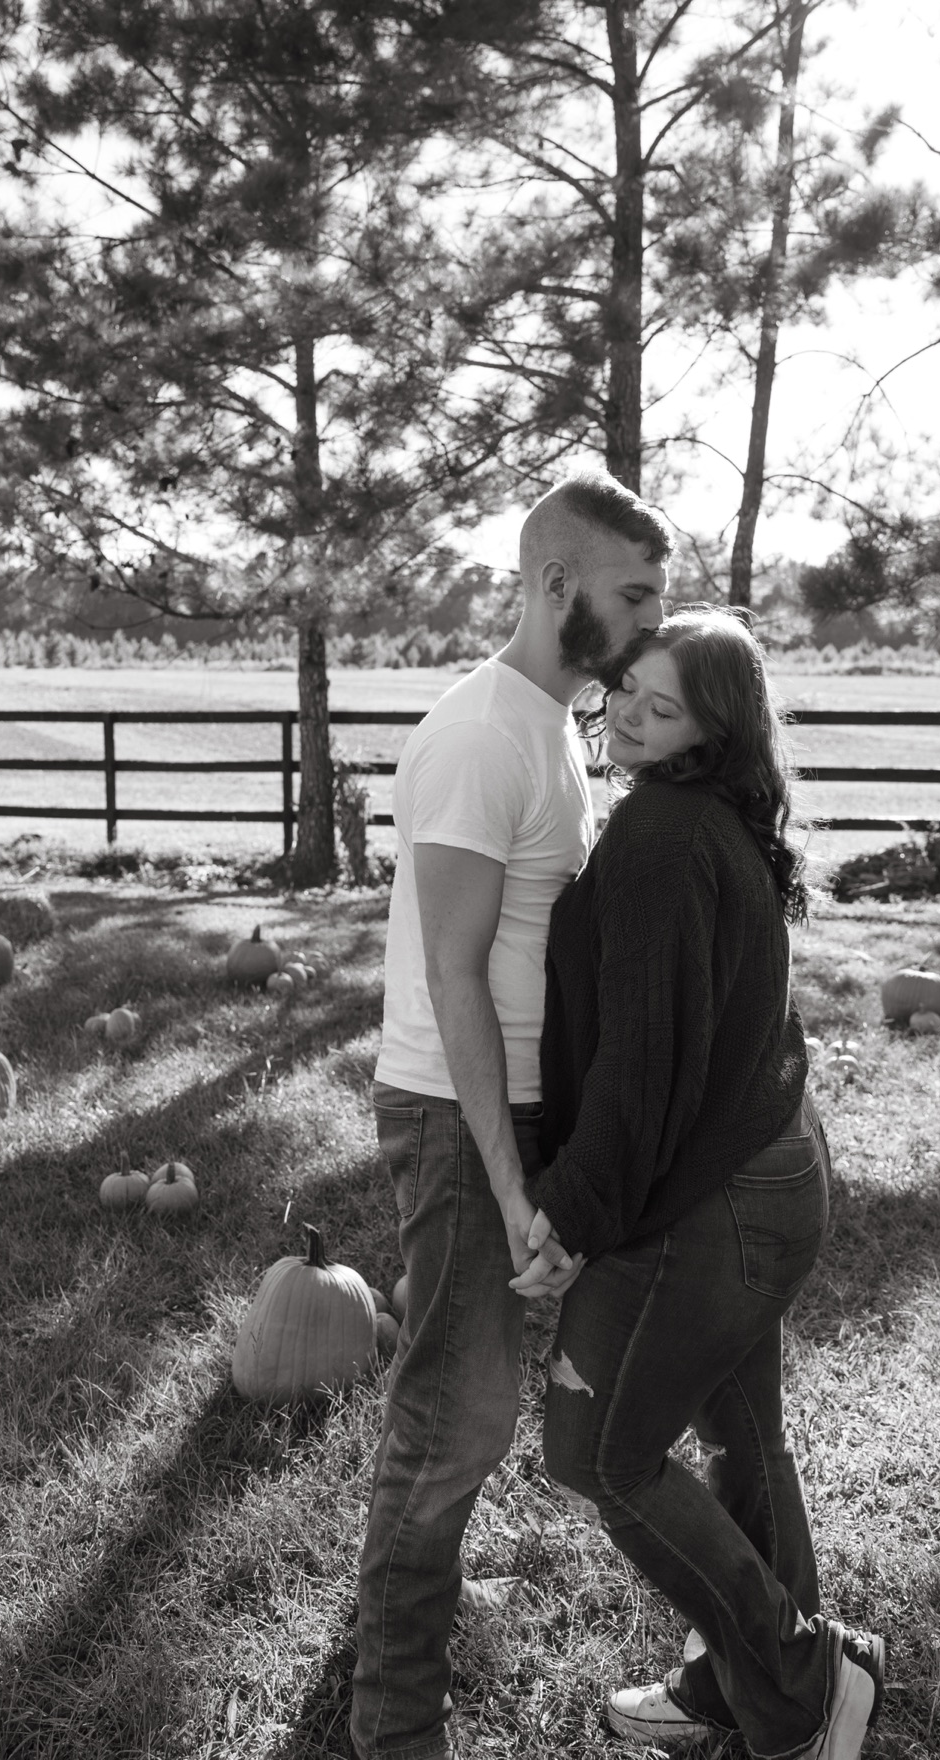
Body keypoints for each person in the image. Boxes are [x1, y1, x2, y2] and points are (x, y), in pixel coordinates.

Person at [517, 609, 885, 1760]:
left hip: (713, 1206)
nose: (626, 711)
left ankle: (801, 1673)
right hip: (768, 1177)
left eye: (660, 705)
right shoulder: (710, 814)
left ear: (708, 731)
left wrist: (570, 1211)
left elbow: (642, 1064)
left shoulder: (664, 834)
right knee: (743, 1432)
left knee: (599, 1454)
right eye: (628, 685)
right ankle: (758, 1688)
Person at [350, 472, 676, 1760]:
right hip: (456, 1113)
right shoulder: (483, 734)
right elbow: (453, 975)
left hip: (518, 1110)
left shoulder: (552, 725)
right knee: (453, 1413)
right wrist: (504, 1177)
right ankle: (394, 1718)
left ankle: (415, 1592)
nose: (654, 620)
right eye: (634, 594)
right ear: (554, 585)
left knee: (476, 1402)